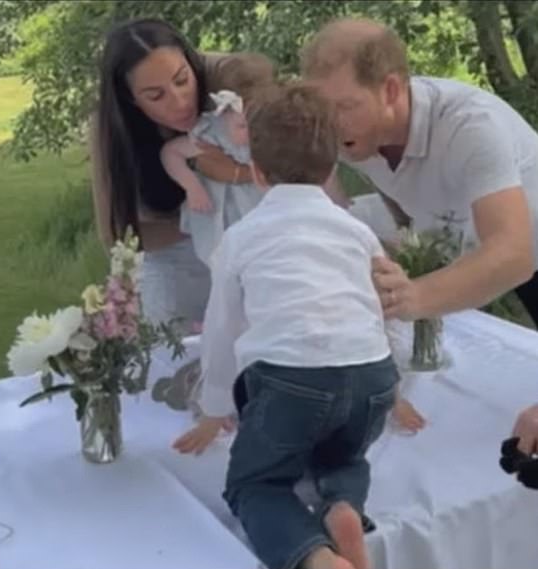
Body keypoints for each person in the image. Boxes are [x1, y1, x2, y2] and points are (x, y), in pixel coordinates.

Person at [174, 83, 403, 569]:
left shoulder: (242, 238)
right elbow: (383, 304)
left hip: (292, 381)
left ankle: (318, 559)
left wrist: (215, 406)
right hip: (371, 377)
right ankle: (342, 505)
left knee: (254, 484)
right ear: (332, 165)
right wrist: (393, 384)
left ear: (256, 172)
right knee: (345, 457)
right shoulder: (357, 230)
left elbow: (222, 331)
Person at [301, 18, 538, 326]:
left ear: (391, 89)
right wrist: (406, 234)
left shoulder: (472, 127)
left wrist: (414, 297)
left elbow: (513, 253)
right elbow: (388, 182)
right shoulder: (357, 133)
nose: (330, 123)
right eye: (321, 108)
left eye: (344, 106)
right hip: (483, 253)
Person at [89, 18, 265, 332]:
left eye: (182, 80)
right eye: (156, 96)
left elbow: (296, 155)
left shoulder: (231, 79)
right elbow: (118, 233)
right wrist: (201, 222)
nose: (180, 102)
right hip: (174, 244)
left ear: (191, 63)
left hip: (257, 230)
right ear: (131, 100)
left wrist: (235, 174)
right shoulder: (112, 129)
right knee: (171, 341)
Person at [161, 54, 276, 266]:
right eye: (242, 126)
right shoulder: (211, 134)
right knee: (225, 258)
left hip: (261, 207)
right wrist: (192, 186)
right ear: (222, 114)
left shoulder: (271, 133)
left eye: (259, 121)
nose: (252, 132)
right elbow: (171, 153)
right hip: (221, 213)